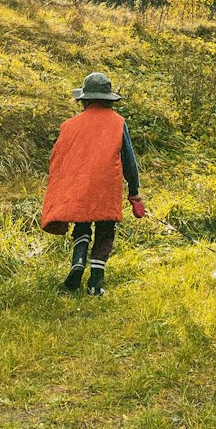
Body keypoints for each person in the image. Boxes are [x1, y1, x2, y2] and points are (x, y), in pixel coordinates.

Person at [41, 71, 145, 295]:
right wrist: (134, 191)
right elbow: (129, 160)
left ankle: (78, 263)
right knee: (105, 231)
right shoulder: (118, 123)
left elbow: (58, 158)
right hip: (107, 186)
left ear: (84, 99)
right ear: (109, 99)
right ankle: (95, 284)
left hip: (79, 184)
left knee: (82, 225)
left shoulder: (70, 126)